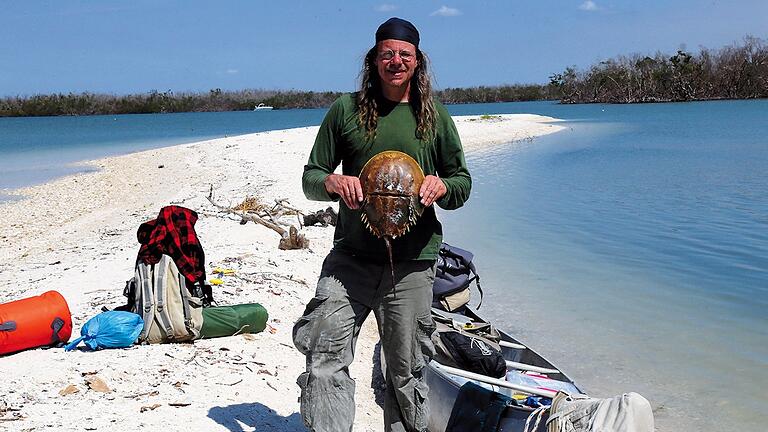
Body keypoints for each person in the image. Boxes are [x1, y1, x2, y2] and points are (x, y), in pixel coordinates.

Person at [293, 17, 471, 432]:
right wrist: (333, 182)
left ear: (417, 61)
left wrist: (441, 186)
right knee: (323, 358)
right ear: (373, 60)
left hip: (412, 265)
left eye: (404, 54)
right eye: (387, 54)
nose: (395, 61)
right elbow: (311, 178)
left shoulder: (435, 117)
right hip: (350, 261)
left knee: (406, 373)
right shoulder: (346, 110)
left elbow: (462, 184)